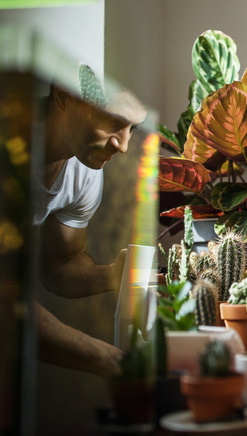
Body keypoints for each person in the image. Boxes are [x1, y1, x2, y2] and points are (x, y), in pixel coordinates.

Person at [33, 74, 147, 379]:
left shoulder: (84, 170)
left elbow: (61, 264)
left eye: (132, 129)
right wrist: (111, 362)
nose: (123, 146)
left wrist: (111, 276)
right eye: (113, 121)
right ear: (64, 96)